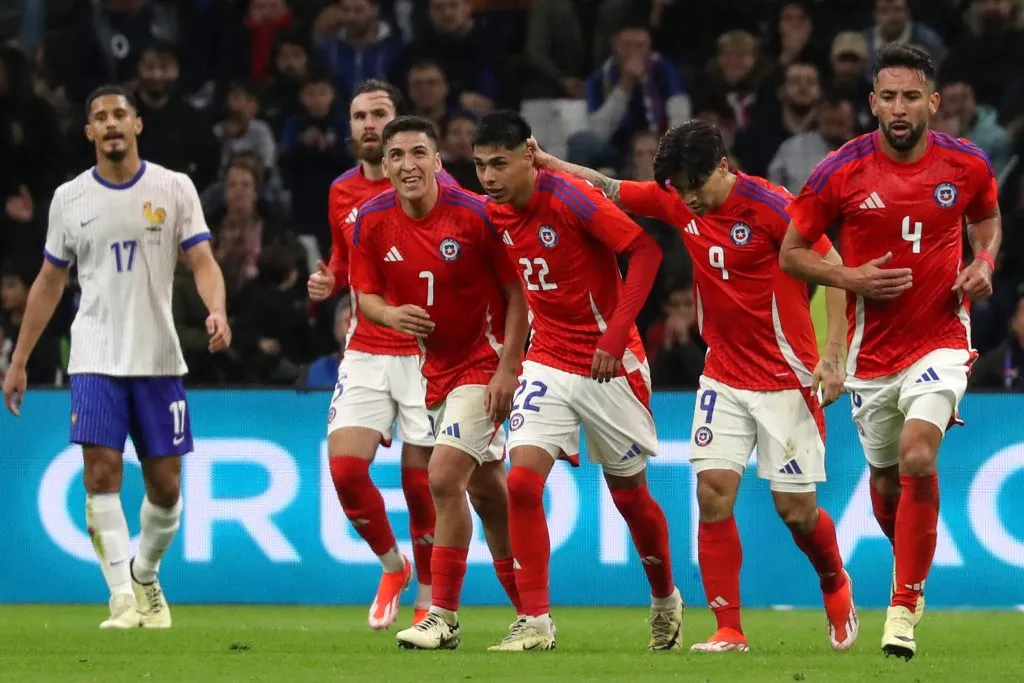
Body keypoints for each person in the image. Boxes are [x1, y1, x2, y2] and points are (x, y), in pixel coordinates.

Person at [531, 119, 857, 653]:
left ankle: (833, 580)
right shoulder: (681, 200)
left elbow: (835, 266)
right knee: (712, 495)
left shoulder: (773, 207)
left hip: (786, 379)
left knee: (795, 511)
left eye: (694, 186)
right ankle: (729, 628)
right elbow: (610, 190)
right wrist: (553, 165)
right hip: (724, 374)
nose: (686, 200)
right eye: (677, 189)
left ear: (724, 168)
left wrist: (836, 355)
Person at [779, 44, 1001, 660]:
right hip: (869, 354)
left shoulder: (967, 164)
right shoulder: (839, 171)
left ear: (932, 101)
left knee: (918, 454)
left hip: (940, 336)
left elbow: (987, 220)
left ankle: (903, 604)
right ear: (872, 101)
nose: (898, 108)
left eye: (911, 97)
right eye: (888, 97)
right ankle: (911, 565)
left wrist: (983, 261)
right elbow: (792, 253)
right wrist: (853, 279)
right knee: (885, 480)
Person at [1, 85, 231, 629]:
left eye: (119, 115)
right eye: (99, 116)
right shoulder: (69, 198)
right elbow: (50, 282)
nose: (110, 123)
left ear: (137, 125)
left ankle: (145, 575)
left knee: (166, 488)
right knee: (101, 474)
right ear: (88, 132)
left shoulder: (173, 188)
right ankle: (121, 598)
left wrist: (217, 309)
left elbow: (202, 259)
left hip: (158, 358)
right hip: (95, 357)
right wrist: (19, 360)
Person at [471, 111, 681, 652]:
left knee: (630, 498)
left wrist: (615, 336)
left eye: (499, 163)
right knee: (521, 483)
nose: (489, 177)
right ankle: (536, 622)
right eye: (479, 166)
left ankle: (664, 598)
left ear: (528, 155)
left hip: (611, 362)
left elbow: (646, 250)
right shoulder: (492, 213)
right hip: (550, 360)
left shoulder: (569, 197)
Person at [349, 115, 529, 650]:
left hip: (484, 359)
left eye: (419, 153)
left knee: (443, 476)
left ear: (437, 160)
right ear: (385, 166)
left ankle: (442, 616)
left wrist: (508, 368)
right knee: (489, 495)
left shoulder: (477, 216)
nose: (409, 165)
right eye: (397, 156)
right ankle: (532, 611)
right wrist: (390, 316)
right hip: (436, 371)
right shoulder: (371, 220)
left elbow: (518, 294)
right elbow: (366, 296)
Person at [306, 80, 455, 630]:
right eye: (359, 115)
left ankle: (429, 598)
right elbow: (345, 259)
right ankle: (394, 565)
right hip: (367, 345)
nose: (369, 124)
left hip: (425, 352)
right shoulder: (342, 191)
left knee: (422, 482)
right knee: (345, 469)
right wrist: (330, 278)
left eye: (380, 114)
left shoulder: (441, 185)